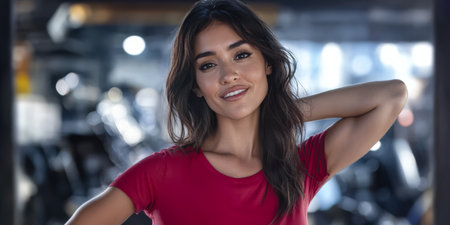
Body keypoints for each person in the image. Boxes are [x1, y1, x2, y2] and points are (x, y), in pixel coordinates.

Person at [65, 0, 408, 224]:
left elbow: (391, 95)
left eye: (241, 55)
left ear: (268, 64)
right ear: (197, 85)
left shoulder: (301, 166)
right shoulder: (160, 172)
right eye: (209, 64)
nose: (228, 74)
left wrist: (282, 111)